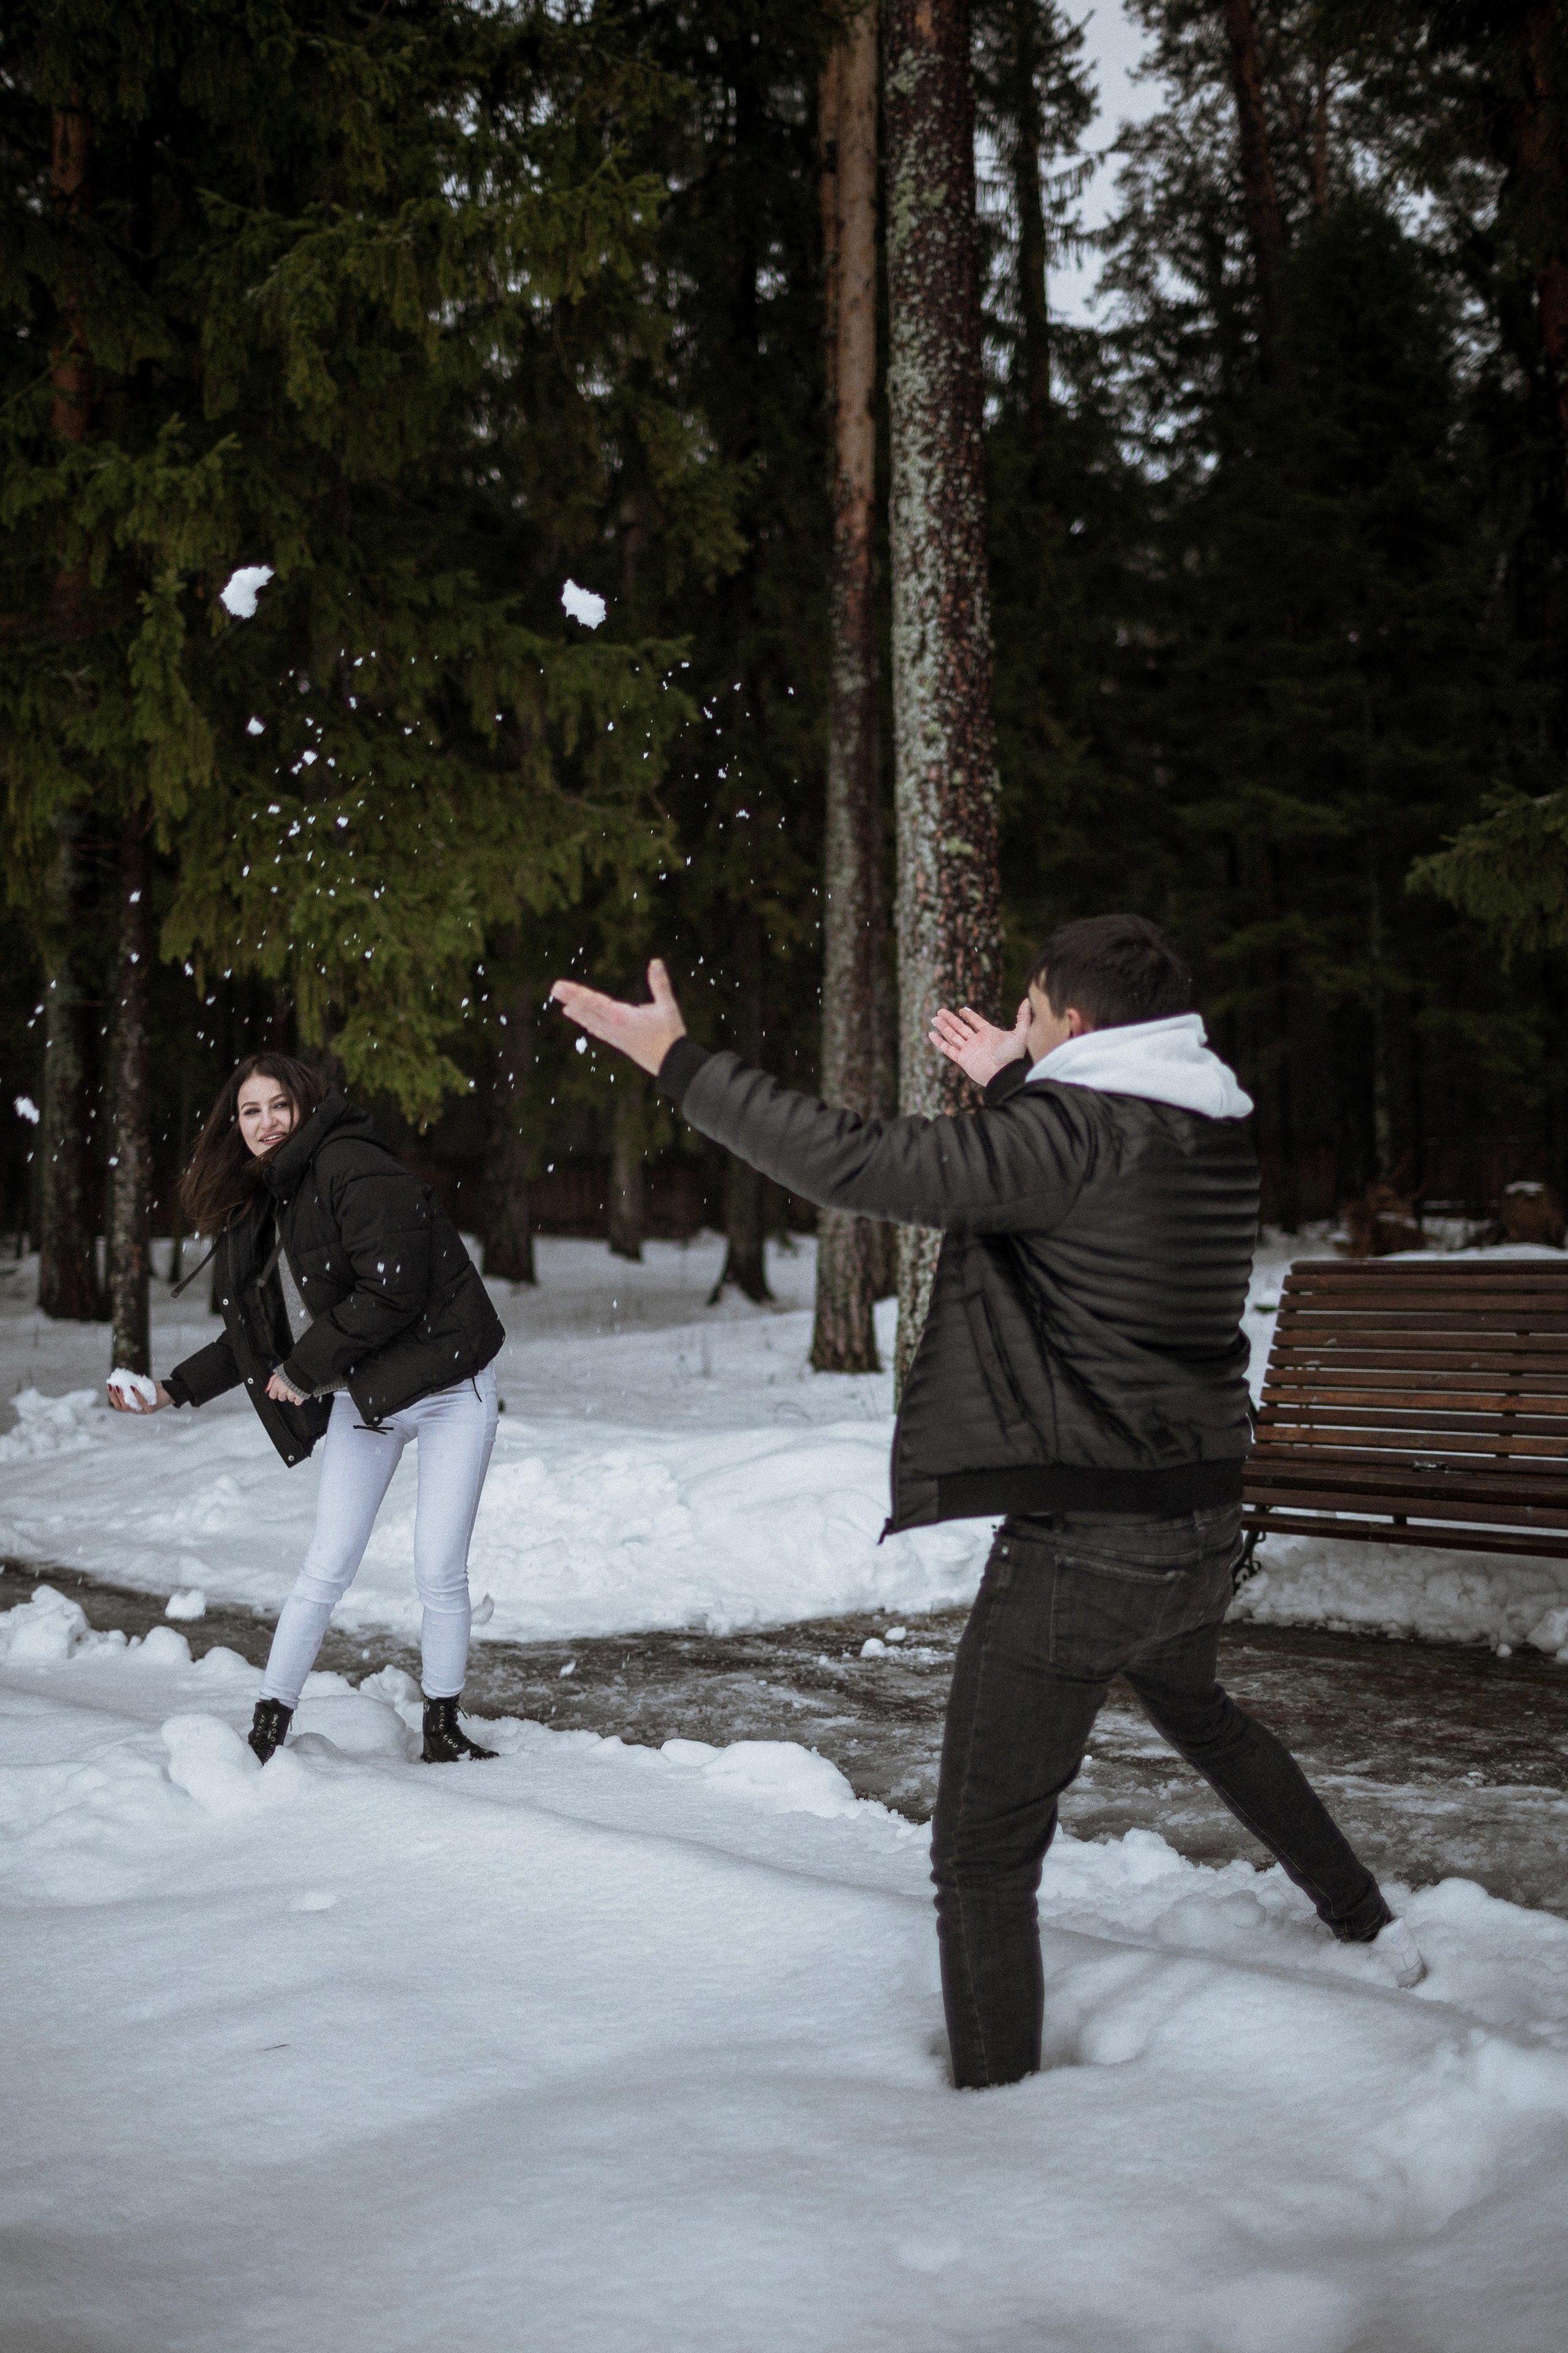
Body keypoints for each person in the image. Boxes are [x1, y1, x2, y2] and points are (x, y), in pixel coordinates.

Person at [551, 917, 1426, 2091]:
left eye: (1027, 1010)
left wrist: (682, 1062)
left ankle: (998, 2119)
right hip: (1202, 1522)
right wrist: (1018, 1079)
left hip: (1088, 1547)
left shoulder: (1070, 1131)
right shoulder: (1211, 1126)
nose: (1016, 1024)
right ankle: (1365, 1917)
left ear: (1074, 1024)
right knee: (1202, 1710)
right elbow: (1098, 1191)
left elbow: (862, 1165)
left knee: (980, 1851)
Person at [108, 1053, 506, 1768]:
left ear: (306, 1105)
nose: (265, 1123)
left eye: (278, 1106)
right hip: (370, 1393)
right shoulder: (271, 1201)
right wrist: (171, 1389)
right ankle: (267, 1727)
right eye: (250, 1111)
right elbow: (256, 1337)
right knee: (325, 1564)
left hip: (451, 1386)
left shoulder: (352, 1164)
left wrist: (303, 1369)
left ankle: (442, 1727)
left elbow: (396, 1287)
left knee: (438, 1567)